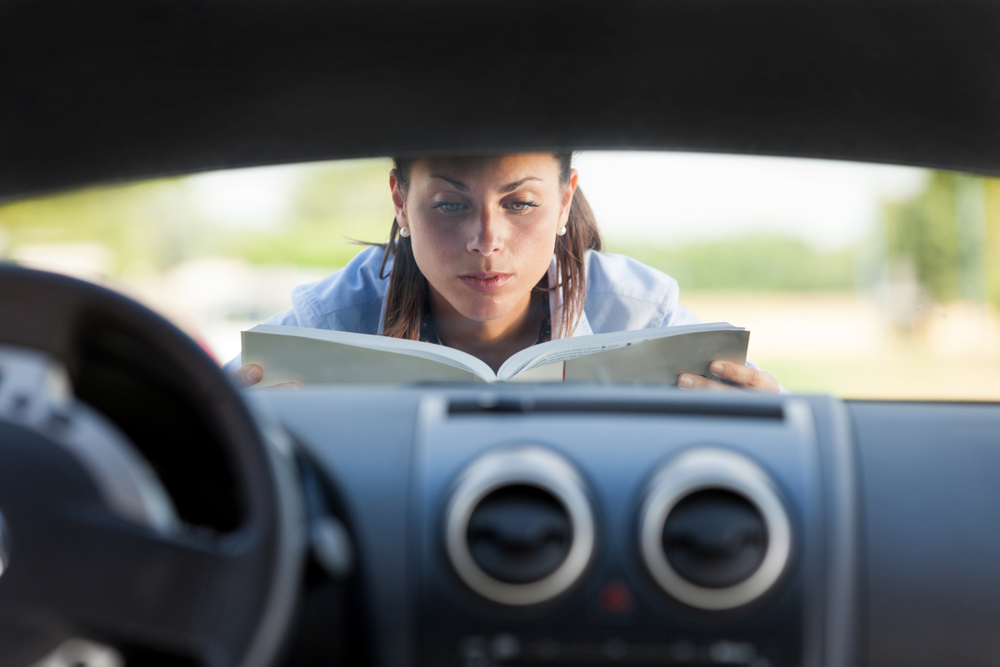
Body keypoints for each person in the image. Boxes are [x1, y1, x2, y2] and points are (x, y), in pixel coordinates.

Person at [229, 153, 780, 393]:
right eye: (449, 205)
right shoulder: (323, 323)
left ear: (565, 201)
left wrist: (768, 421)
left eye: (520, 204)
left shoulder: (644, 316)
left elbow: (766, 420)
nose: (487, 241)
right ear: (400, 200)